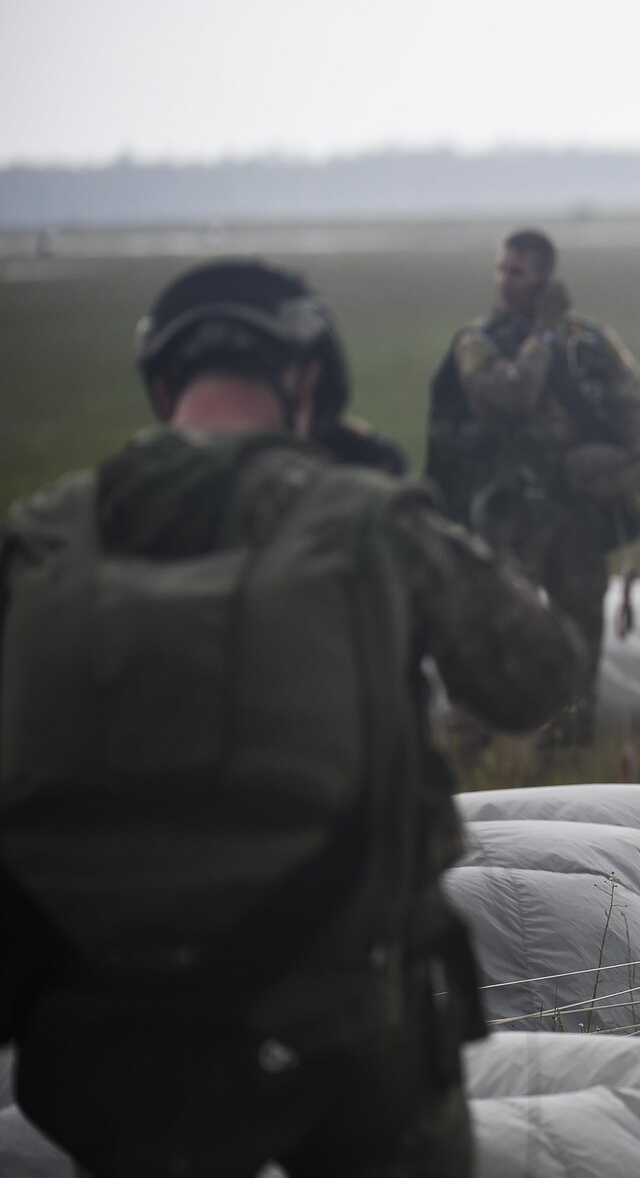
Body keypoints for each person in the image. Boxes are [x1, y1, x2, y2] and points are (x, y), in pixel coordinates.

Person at [0, 260, 587, 1178]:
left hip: (93, 1027)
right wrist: (384, 516)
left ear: (162, 388)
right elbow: (540, 673)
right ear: (305, 381)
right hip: (340, 1020)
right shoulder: (364, 520)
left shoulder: (36, 538)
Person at [426, 228, 640, 752]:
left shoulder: (590, 341)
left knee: (582, 628)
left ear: (545, 279)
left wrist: (637, 459)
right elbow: (514, 394)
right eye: (501, 269)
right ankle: (468, 747)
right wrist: (545, 333)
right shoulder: (478, 343)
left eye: (519, 272)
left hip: (576, 511)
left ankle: (569, 749)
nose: (505, 281)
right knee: (490, 630)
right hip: (508, 511)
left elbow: (632, 396)